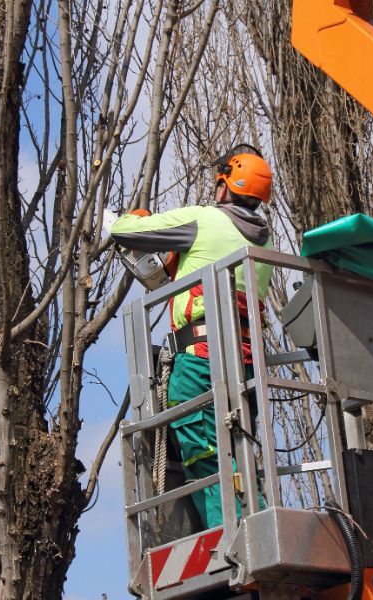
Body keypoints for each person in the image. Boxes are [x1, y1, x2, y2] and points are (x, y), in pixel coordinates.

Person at [110, 147, 275, 529]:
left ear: (224, 186)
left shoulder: (203, 220)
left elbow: (123, 231)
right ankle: (262, 520)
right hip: (246, 362)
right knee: (239, 447)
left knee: (203, 449)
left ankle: (233, 534)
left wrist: (137, 219)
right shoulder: (264, 244)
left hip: (200, 357)